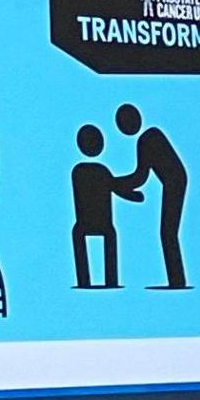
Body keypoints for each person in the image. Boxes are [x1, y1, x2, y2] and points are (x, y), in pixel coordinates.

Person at [115, 101, 192, 289]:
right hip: (175, 182)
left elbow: (140, 176)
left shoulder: (147, 139)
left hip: (174, 183)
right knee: (168, 232)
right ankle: (177, 279)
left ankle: (177, 281)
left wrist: (114, 183)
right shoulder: (150, 136)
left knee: (168, 232)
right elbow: (141, 176)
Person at [69, 121, 138, 288]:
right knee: (110, 235)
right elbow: (117, 188)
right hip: (103, 223)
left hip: (84, 223)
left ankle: (84, 281)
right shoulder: (102, 171)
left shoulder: (77, 171)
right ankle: (111, 280)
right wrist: (135, 196)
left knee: (78, 233)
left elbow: (114, 187)